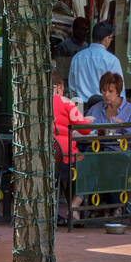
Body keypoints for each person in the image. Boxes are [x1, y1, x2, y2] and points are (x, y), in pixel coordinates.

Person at [52, 70, 93, 210]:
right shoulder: (65, 102)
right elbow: (85, 129)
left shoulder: (35, 103)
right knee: (93, 166)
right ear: (58, 87)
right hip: (64, 157)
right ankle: (75, 206)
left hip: (46, 159)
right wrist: (88, 120)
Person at [68, 21, 123, 104]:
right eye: (111, 38)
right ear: (107, 38)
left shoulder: (77, 58)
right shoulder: (112, 60)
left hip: (81, 109)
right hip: (104, 109)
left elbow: (72, 88)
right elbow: (119, 90)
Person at [90, 71, 131, 148]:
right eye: (104, 90)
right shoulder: (94, 109)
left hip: (123, 155)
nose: (106, 95)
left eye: (110, 91)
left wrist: (124, 126)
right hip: (97, 153)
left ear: (118, 92)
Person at [53, 16, 89, 93]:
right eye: (82, 29)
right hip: (68, 86)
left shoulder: (86, 47)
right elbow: (61, 70)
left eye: (86, 30)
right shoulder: (64, 46)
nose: (85, 33)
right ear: (75, 29)